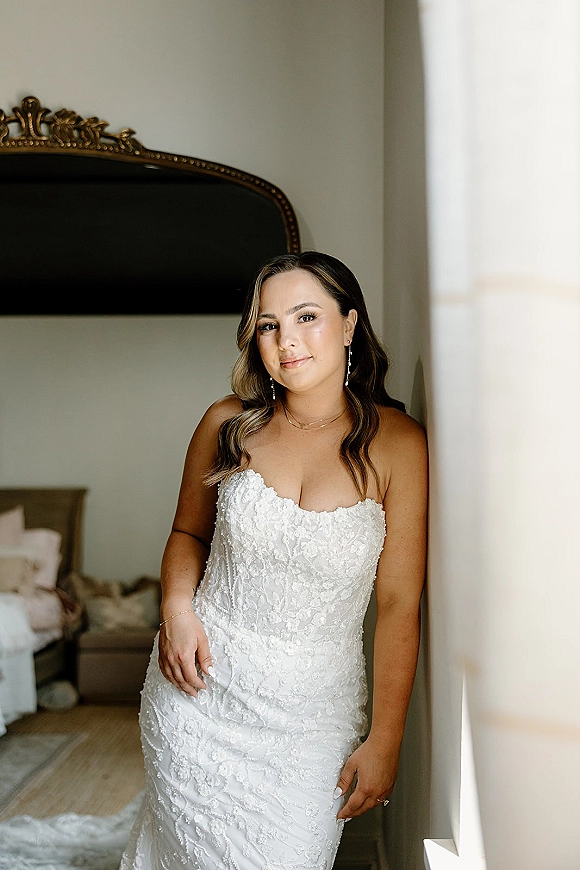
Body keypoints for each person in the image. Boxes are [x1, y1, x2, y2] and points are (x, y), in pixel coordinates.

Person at [120, 251, 428, 870]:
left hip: (311, 719)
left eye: (307, 316)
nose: (287, 341)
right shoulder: (227, 424)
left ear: (349, 324)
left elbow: (398, 604)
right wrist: (176, 610)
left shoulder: (399, 443)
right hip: (198, 693)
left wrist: (386, 739)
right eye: (268, 324)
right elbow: (187, 532)